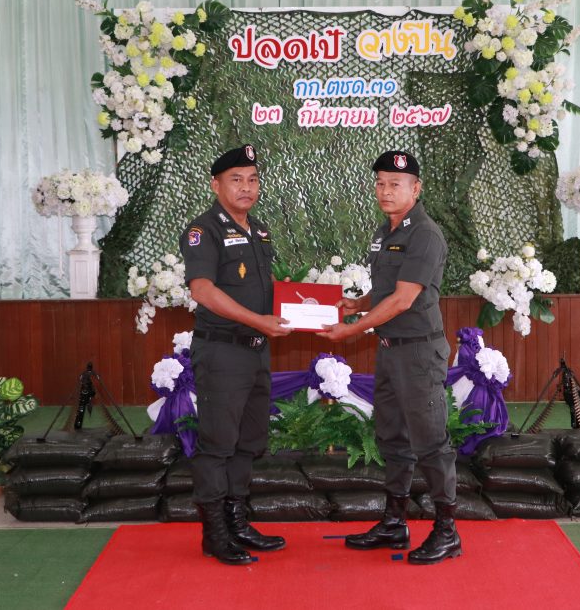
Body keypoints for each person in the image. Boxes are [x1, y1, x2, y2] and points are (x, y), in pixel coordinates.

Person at [318, 150, 461, 565]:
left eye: (395, 184)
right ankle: (394, 523)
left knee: (431, 443)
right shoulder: (385, 231)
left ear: (416, 189)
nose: (385, 191)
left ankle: (447, 531)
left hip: (418, 353)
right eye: (380, 183)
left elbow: (403, 299)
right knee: (392, 439)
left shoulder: (425, 234)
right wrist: (357, 305)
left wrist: (350, 330)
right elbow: (385, 291)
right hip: (389, 351)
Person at [179, 144, 292, 565]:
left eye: (253, 179)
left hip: (256, 353)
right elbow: (202, 290)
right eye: (236, 179)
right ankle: (215, 533)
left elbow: (264, 288)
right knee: (218, 445)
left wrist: (308, 309)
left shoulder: (258, 230)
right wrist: (258, 321)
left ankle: (239, 522)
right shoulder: (203, 230)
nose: (247, 187)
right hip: (223, 352)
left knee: (248, 442)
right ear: (216, 185)